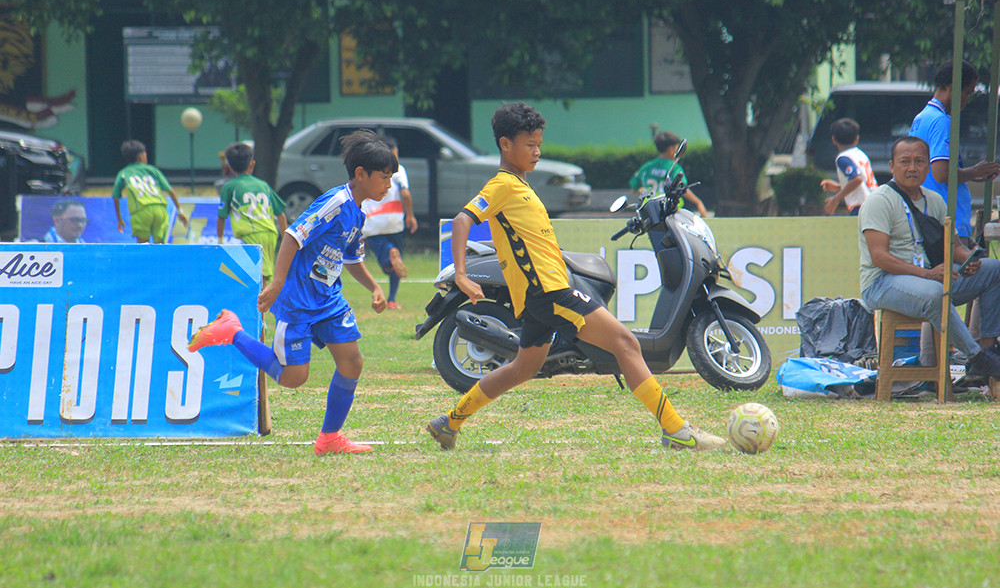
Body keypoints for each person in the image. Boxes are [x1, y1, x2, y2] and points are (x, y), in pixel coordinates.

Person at [426, 102, 726, 452]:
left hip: (543, 294)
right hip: (550, 293)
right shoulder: (502, 186)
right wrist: (461, 274)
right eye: (529, 145)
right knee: (626, 344)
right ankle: (676, 430)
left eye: (539, 144)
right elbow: (463, 220)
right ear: (505, 145)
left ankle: (449, 422)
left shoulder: (519, 185)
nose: (537, 151)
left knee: (523, 368)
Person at [188, 130, 395, 456]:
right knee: (293, 377)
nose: (388, 185)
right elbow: (292, 236)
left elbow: (351, 258)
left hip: (328, 300)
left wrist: (374, 286)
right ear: (361, 175)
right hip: (298, 299)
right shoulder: (336, 203)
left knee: (352, 362)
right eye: (384, 177)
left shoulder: (358, 212)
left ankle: (329, 438)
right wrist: (278, 283)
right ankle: (232, 333)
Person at [858, 136, 1000, 381]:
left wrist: (968, 260)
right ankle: (976, 356)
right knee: (935, 291)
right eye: (905, 162)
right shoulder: (878, 201)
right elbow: (879, 257)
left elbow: (954, 246)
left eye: (919, 161)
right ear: (892, 166)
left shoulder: (934, 199)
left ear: (927, 167)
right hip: (883, 283)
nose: (912, 168)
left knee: (993, 268)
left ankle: (989, 351)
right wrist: (928, 274)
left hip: (931, 278)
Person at [910, 60, 999, 243]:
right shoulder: (942, 121)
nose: (967, 100)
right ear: (953, 87)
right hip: (949, 221)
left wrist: (971, 175)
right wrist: (975, 171)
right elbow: (942, 173)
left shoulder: (921, 117)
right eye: (967, 93)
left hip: (929, 218)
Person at [216, 141, 288, 287]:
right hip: (270, 232)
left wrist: (220, 240)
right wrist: (286, 238)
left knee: (256, 278)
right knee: (259, 275)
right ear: (252, 164)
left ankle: (260, 308)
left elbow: (221, 217)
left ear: (229, 167)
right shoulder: (263, 185)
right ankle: (258, 307)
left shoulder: (229, 187)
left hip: (252, 234)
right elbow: (281, 215)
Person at [361, 136, 418, 309]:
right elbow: (406, 194)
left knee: (387, 265)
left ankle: (389, 252)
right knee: (394, 265)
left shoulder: (369, 171)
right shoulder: (399, 170)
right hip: (395, 221)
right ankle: (392, 299)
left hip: (373, 223)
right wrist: (410, 215)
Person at [112, 140, 189, 243]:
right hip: (160, 208)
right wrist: (180, 211)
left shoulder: (123, 173)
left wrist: (119, 218)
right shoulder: (152, 170)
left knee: (143, 246)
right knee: (161, 246)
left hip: (141, 210)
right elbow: (170, 190)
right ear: (140, 156)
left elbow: (116, 196)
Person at [628, 130, 708, 216]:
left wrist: (642, 190)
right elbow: (682, 188)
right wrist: (698, 202)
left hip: (650, 209)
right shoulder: (674, 167)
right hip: (669, 208)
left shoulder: (646, 167)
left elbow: (634, 188)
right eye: (677, 147)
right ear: (671, 149)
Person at [819, 118, 877, 215]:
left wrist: (835, 199)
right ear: (857, 139)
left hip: (861, 206)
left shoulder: (843, 158)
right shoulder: (860, 154)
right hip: (874, 202)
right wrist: (838, 187)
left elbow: (857, 179)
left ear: (834, 140)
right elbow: (861, 182)